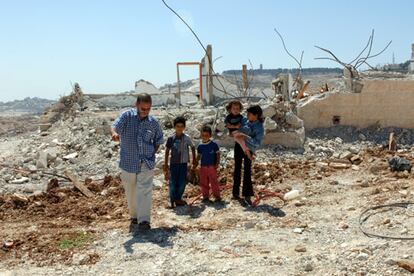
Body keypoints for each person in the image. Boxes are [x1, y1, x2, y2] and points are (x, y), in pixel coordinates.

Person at [111, 93, 164, 230]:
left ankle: (144, 221)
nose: (145, 112)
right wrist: (114, 134)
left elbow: (158, 139)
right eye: (143, 109)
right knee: (131, 190)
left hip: (146, 162)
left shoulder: (153, 123)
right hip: (128, 161)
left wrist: (152, 152)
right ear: (136, 105)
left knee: (144, 190)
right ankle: (134, 216)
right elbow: (115, 126)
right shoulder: (127, 116)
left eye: (148, 109)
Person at [232, 105, 264, 206]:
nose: (247, 115)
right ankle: (235, 193)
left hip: (249, 149)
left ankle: (247, 194)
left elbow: (257, 143)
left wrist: (246, 137)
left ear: (256, 115)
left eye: (249, 114)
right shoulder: (245, 120)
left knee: (247, 170)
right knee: (237, 168)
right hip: (239, 146)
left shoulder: (259, 127)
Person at [164, 116, 196, 208]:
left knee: (182, 182)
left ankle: (178, 198)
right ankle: (172, 200)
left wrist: (193, 159)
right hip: (174, 164)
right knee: (173, 182)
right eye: (178, 126)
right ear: (174, 127)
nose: (180, 128)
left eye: (182, 126)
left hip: (183, 164)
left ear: (184, 127)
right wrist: (166, 164)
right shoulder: (171, 138)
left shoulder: (187, 138)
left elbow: (192, 147)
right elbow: (167, 151)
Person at [194, 125, 221, 203]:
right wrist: (195, 163)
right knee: (204, 182)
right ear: (201, 135)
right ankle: (205, 196)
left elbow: (218, 154)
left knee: (214, 182)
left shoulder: (214, 145)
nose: (204, 137)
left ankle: (217, 196)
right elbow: (199, 156)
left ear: (210, 135)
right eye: (203, 135)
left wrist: (217, 163)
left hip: (212, 167)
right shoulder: (200, 146)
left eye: (206, 135)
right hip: (203, 167)